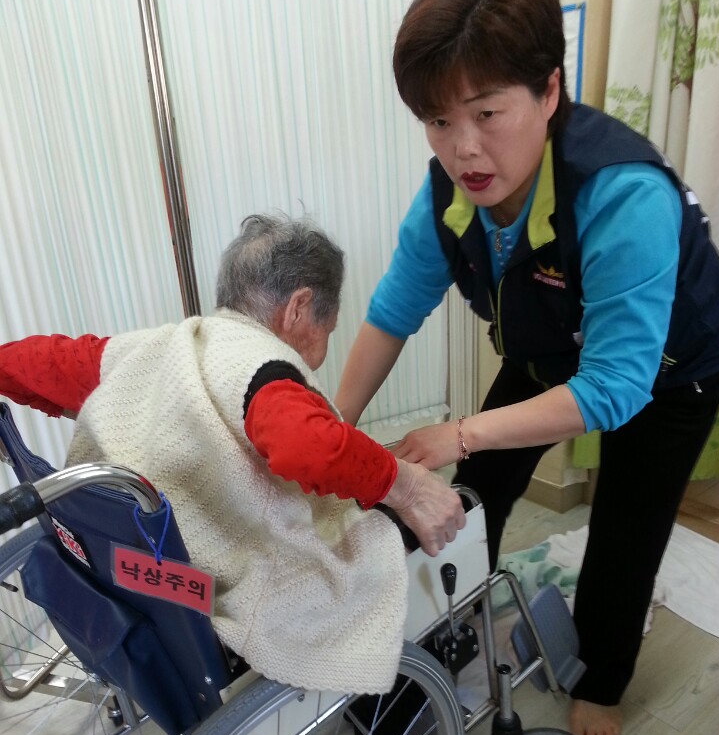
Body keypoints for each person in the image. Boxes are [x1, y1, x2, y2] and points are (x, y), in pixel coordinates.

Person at [335, 0, 719, 735]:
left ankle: (602, 680)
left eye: (486, 113)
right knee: (471, 496)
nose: (463, 148)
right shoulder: (449, 195)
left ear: (548, 90)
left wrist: (460, 430)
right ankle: (443, 636)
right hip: (551, 351)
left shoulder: (620, 193)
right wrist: (330, 431)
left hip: (669, 373)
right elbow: (392, 313)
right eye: (438, 120)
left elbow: (614, 387)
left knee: (625, 529)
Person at [0, 212, 465, 696]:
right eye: (328, 328)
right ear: (299, 307)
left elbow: (43, 362)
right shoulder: (261, 371)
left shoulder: (157, 347)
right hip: (222, 583)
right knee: (388, 539)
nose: (325, 347)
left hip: (133, 571)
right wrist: (407, 486)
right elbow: (309, 447)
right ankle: (400, 706)